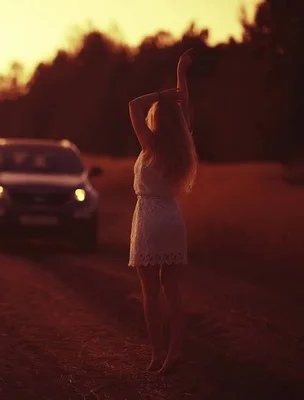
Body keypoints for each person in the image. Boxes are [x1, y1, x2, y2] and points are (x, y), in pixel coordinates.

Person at [127, 49, 198, 375]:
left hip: (149, 218)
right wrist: (180, 74)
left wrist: (160, 95)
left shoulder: (150, 146)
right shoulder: (182, 148)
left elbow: (133, 105)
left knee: (150, 293)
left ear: (156, 119)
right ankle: (178, 351)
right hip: (173, 218)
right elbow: (185, 111)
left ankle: (156, 354)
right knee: (173, 291)